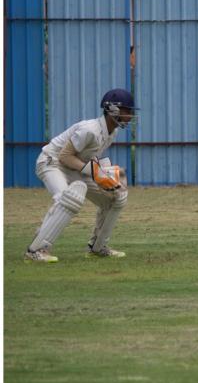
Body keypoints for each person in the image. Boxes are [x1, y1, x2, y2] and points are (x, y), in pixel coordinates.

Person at [25, 89, 137, 263]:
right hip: (51, 162)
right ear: (113, 110)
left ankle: (97, 248)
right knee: (68, 198)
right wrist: (97, 172)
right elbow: (64, 156)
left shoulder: (111, 132)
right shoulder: (90, 129)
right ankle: (36, 250)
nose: (130, 115)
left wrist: (108, 175)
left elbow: (87, 157)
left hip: (73, 167)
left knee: (116, 197)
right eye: (127, 110)